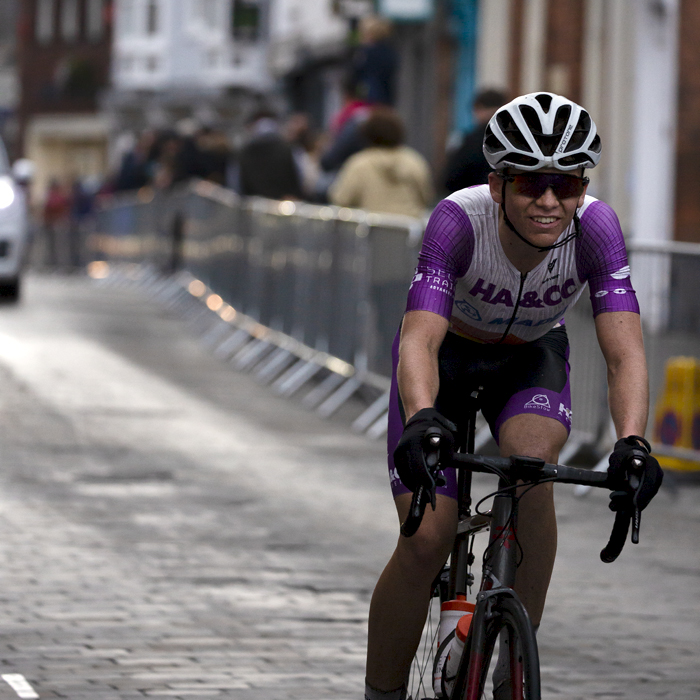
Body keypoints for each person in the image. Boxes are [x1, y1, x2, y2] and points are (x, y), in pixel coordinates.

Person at [364, 92, 663, 700]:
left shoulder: (596, 229)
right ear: (498, 186)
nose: (550, 201)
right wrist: (422, 417)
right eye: (531, 185)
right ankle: (382, 691)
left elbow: (625, 351)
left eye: (567, 184)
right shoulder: (458, 218)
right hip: (445, 357)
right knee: (426, 540)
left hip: (529, 355)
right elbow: (419, 340)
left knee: (532, 470)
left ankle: (509, 675)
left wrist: (633, 441)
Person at [328, 106, 433, 218]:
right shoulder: (414, 160)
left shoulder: (360, 163)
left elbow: (340, 199)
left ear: (368, 134)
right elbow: (426, 197)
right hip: (408, 230)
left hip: (371, 231)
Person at [443, 88, 509, 194]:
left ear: (480, 108)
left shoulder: (472, 140)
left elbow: (452, 179)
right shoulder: (514, 139)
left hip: (475, 201)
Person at [237, 110, 303, 200]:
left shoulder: (245, 151)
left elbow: (238, 180)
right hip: (283, 201)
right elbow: (299, 175)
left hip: (254, 202)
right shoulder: (288, 148)